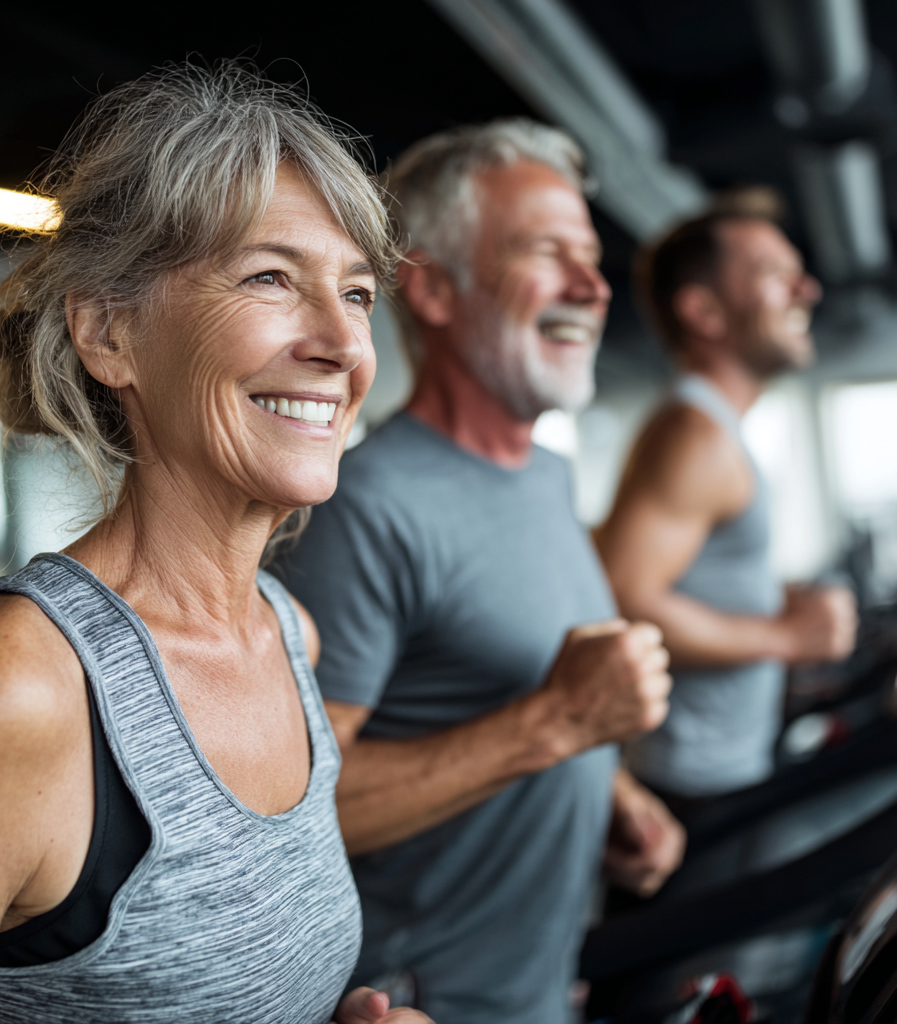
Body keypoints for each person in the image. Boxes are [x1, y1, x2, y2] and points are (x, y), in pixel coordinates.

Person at [0, 65, 431, 1024]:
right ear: (109, 333)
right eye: (269, 278)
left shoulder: (290, 638)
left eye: (358, 292)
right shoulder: (15, 685)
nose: (343, 343)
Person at [278, 120, 684, 1024]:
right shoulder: (365, 504)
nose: (593, 283)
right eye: (548, 252)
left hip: (544, 986)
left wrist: (609, 788)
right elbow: (288, 812)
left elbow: (494, 691)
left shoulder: (547, 473)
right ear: (430, 288)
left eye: (591, 256)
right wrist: (561, 722)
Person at [595, 196, 858, 803]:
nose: (807, 289)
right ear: (704, 311)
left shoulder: (713, 428)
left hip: (719, 767)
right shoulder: (697, 435)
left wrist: (777, 599)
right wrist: (788, 637)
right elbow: (624, 597)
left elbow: (682, 579)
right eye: (774, 273)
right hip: (691, 783)